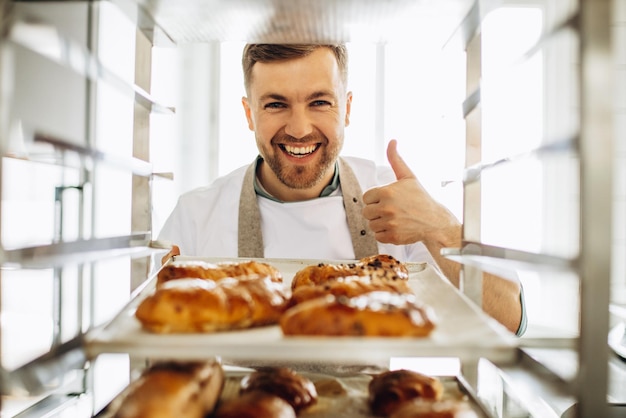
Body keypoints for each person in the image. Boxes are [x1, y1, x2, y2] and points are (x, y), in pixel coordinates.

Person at [158, 43, 525, 335]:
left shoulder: (396, 199)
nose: (299, 129)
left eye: (319, 102)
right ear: (249, 113)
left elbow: (511, 318)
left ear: (346, 108)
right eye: (275, 104)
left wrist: (439, 227)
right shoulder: (196, 215)